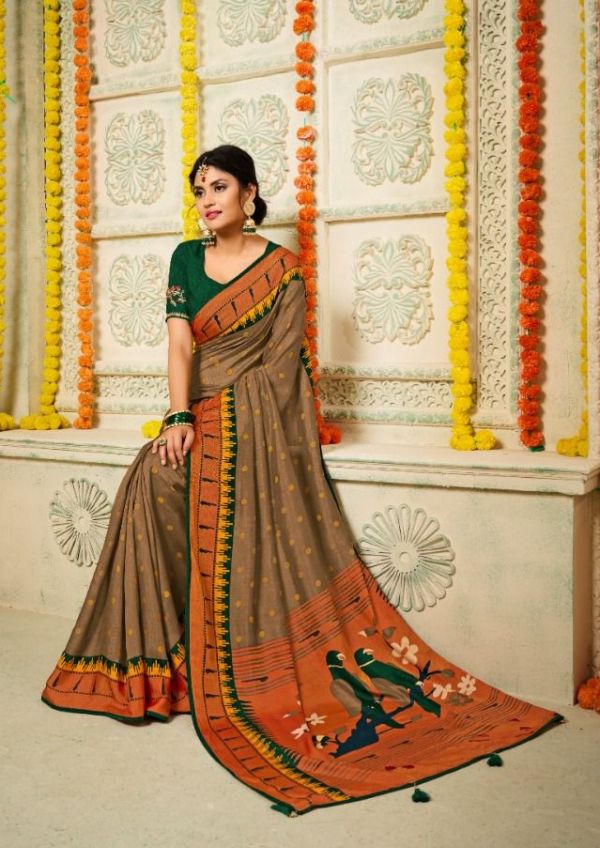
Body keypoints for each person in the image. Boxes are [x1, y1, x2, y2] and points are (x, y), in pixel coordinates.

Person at [42, 145, 560, 816]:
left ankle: (223, 661)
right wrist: (178, 415)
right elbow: (180, 343)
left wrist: (225, 417)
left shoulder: (283, 271)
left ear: (249, 193)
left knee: (196, 488)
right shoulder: (184, 259)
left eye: (219, 186)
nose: (207, 199)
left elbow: (281, 369)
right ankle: (163, 667)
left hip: (253, 426)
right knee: (151, 479)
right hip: (196, 412)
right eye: (199, 189)